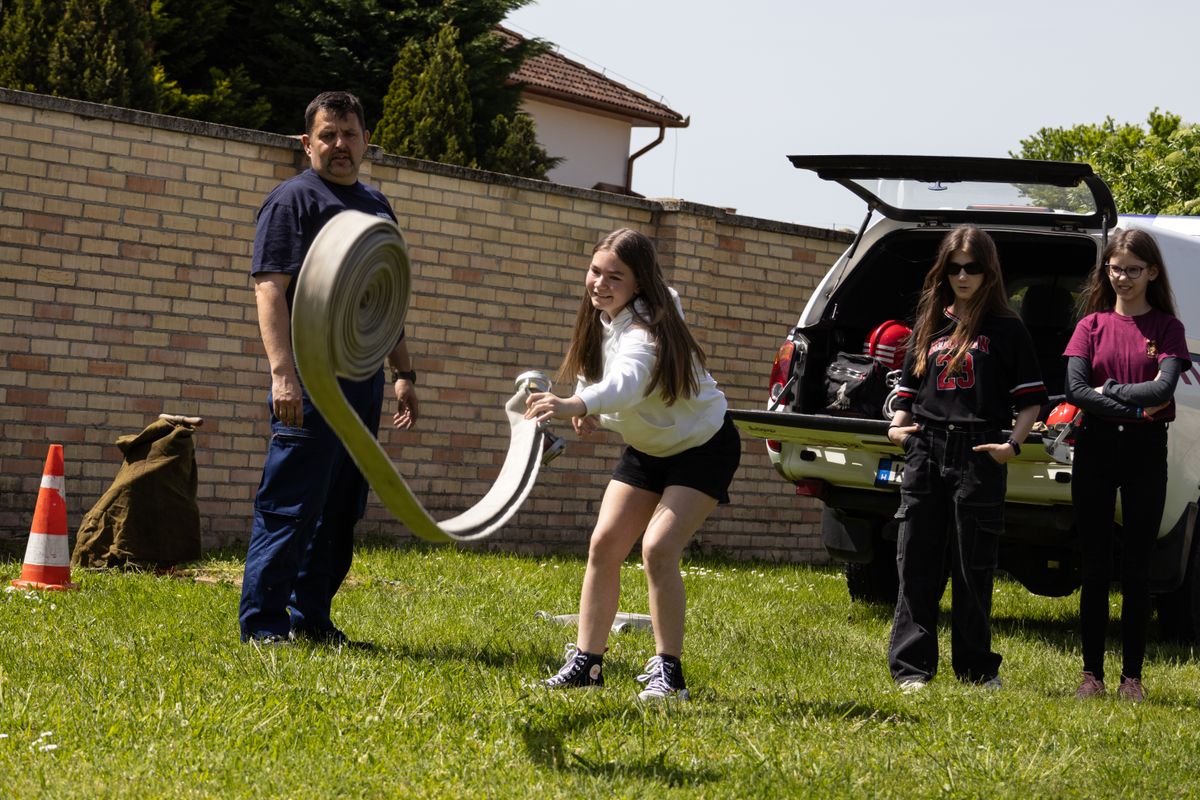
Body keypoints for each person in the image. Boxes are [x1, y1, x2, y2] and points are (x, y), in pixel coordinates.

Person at [524, 228, 740, 701]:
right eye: (595, 271)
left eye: (614, 277)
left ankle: (670, 675)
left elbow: (627, 380)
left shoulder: (647, 331)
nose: (600, 283)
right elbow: (604, 373)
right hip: (649, 451)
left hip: (703, 447)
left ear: (639, 283)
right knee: (604, 544)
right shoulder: (606, 318)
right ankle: (586, 664)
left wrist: (577, 404)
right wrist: (593, 411)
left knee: (658, 550)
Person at [238, 91, 419, 644]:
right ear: (307, 142)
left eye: (349, 134)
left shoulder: (376, 206)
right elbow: (270, 289)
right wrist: (282, 373)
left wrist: (403, 372)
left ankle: (311, 617)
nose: (340, 145)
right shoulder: (292, 202)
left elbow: (382, 300)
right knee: (292, 503)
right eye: (328, 135)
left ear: (366, 140)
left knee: (342, 509)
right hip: (310, 383)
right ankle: (264, 625)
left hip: (361, 381)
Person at [886, 224, 1047, 692]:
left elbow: (1031, 401)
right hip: (926, 448)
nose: (962, 276)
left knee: (973, 566)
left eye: (972, 268)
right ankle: (912, 670)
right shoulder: (931, 322)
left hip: (979, 451)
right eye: (954, 268)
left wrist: (1011, 446)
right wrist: (898, 423)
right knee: (916, 560)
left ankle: (977, 670)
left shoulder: (1007, 328)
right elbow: (906, 390)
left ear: (988, 271)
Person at [1064, 228, 1189, 702]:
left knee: (1137, 569)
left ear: (1152, 272)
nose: (1122, 278)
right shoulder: (1089, 326)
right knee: (1094, 568)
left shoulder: (1167, 329)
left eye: (1133, 270)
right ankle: (1091, 675)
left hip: (1144, 454)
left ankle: (1131, 678)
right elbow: (1075, 391)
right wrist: (1132, 406)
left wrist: (1109, 393)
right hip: (1094, 450)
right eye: (1115, 268)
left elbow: (1163, 390)